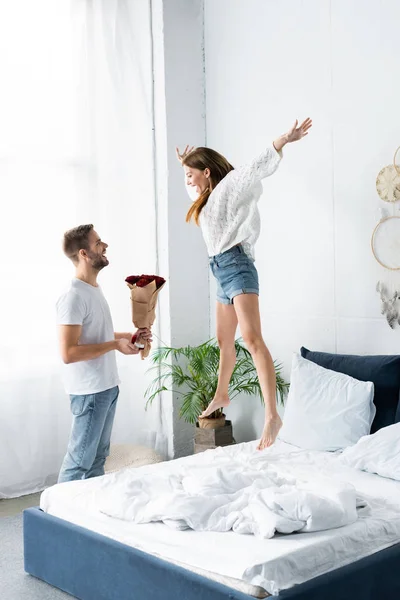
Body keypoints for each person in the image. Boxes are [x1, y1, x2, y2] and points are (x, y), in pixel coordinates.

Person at [176, 118, 312, 451]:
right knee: (224, 341)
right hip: (220, 270)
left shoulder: (231, 184)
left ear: (207, 173)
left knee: (251, 339)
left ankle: (271, 415)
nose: (188, 182)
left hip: (236, 266)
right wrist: (185, 164)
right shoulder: (207, 198)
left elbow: (255, 167)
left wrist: (284, 139)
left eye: (191, 175)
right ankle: (222, 393)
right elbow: (194, 182)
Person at [56, 224, 151, 482]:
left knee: (98, 458)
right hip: (89, 392)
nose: (105, 245)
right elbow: (68, 352)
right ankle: (56, 518)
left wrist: (127, 337)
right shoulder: (73, 296)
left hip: (106, 387)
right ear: (84, 254)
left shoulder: (93, 289)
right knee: (79, 461)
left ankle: (89, 514)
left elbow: (97, 336)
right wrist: (114, 346)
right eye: (98, 243)